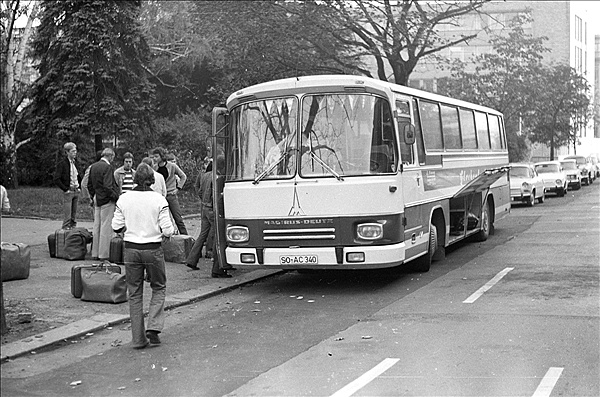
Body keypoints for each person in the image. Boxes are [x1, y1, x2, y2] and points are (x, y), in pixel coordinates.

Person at [112, 163, 174, 349]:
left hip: (130, 249)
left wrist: (127, 230)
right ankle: (153, 327)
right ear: (152, 180)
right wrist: (165, 234)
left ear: (135, 178)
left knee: (135, 292)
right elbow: (168, 229)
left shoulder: (124, 199)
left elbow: (116, 226)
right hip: (153, 249)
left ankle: (138, 339)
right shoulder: (159, 200)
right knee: (159, 286)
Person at [185, 156, 233, 277]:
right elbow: (219, 196)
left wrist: (204, 201)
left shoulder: (205, 175)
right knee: (219, 237)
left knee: (203, 234)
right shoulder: (218, 178)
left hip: (204, 208)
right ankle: (218, 268)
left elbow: (199, 190)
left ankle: (192, 259)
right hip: (213, 209)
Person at [88, 148, 120, 261]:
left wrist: (94, 195)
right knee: (106, 226)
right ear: (110, 156)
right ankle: (104, 254)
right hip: (106, 199)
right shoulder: (107, 167)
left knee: (97, 226)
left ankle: (95, 253)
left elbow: (89, 185)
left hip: (97, 197)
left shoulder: (93, 166)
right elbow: (108, 186)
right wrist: (116, 197)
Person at [151, 147, 188, 234]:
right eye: (153, 157)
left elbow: (183, 176)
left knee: (178, 219)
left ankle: (186, 239)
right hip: (160, 197)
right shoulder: (154, 168)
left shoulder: (172, 166)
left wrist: (178, 188)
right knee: (161, 220)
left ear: (161, 156)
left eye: (156, 156)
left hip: (171, 195)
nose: (155, 159)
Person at [53, 142, 82, 229]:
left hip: (76, 190)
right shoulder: (62, 164)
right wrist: (65, 189)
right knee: (67, 216)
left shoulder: (75, 163)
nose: (75, 153)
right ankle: (65, 233)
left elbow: (78, 176)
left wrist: (79, 187)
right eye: (73, 151)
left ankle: (73, 232)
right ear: (67, 152)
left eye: (75, 151)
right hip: (68, 191)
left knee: (74, 216)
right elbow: (56, 179)